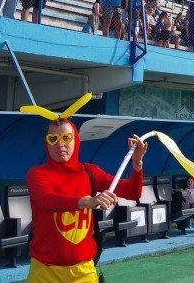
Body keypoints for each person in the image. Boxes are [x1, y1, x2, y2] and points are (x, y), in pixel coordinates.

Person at [26, 116, 147, 282]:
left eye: (66, 138)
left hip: (83, 270)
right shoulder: (37, 174)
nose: (60, 144)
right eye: (53, 138)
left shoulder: (90, 172)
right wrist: (88, 201)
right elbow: (46, 200)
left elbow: (131, 192)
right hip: (44, 271)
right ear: (46, 144)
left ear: (76, 140)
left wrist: (137, 163)